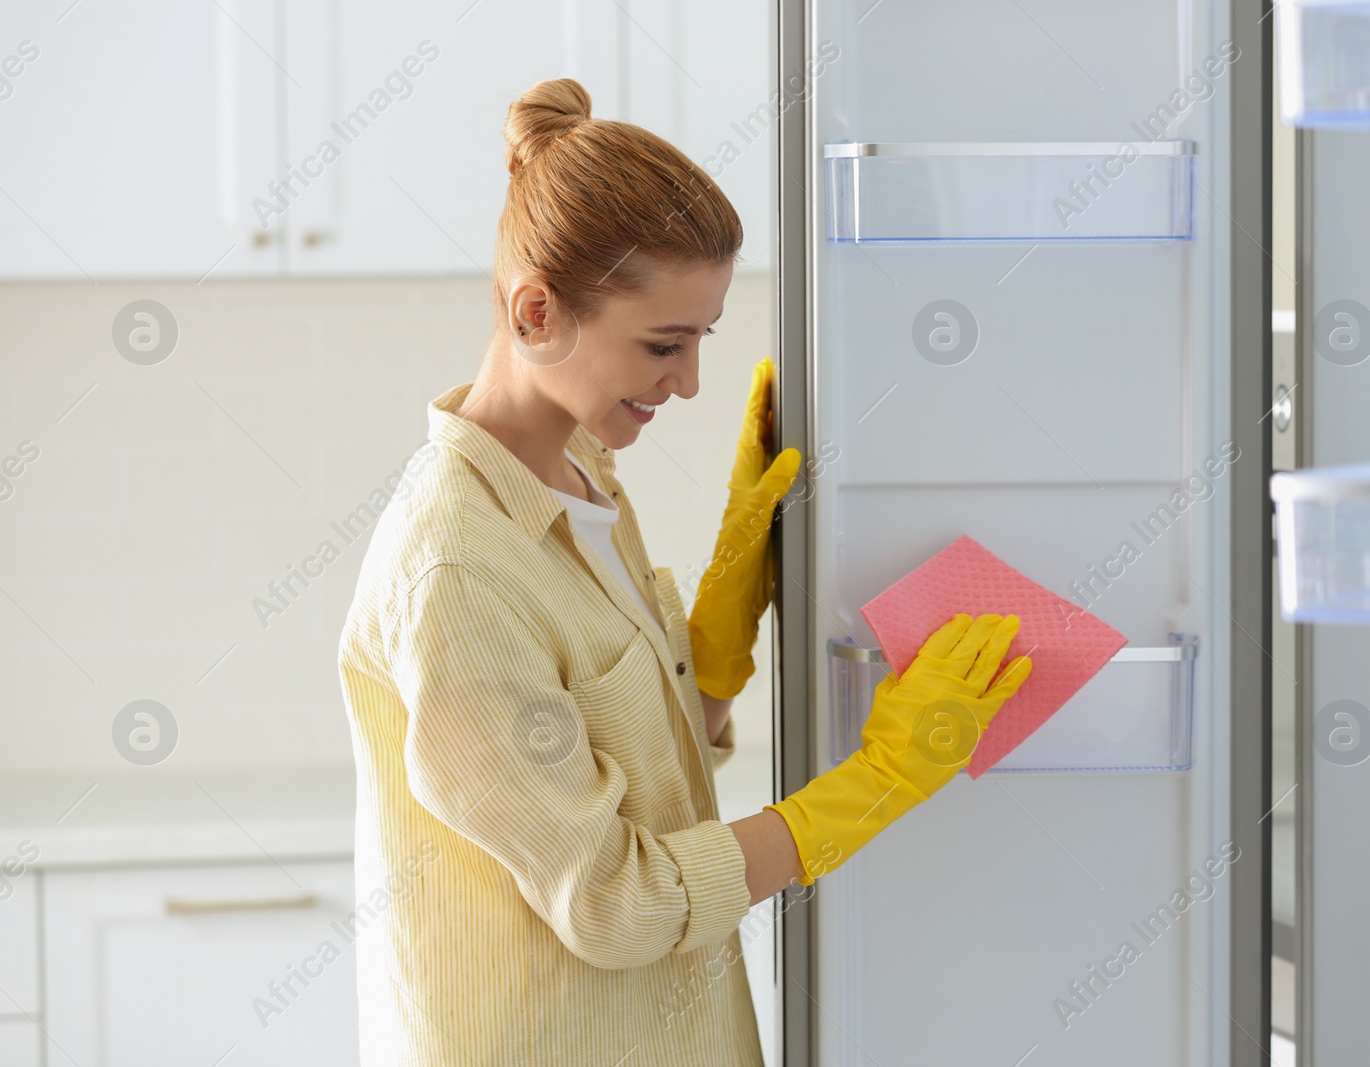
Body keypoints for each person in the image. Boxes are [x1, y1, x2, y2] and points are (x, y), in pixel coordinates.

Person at [337, 76, 1033, 1066]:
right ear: (537, 314)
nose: (691, 379)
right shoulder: (457, 572)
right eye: (663, 343)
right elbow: (617, 904)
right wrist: (873, 785)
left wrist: (723, 616)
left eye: (700, 337)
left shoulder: (582, 481)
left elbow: (637, 770)